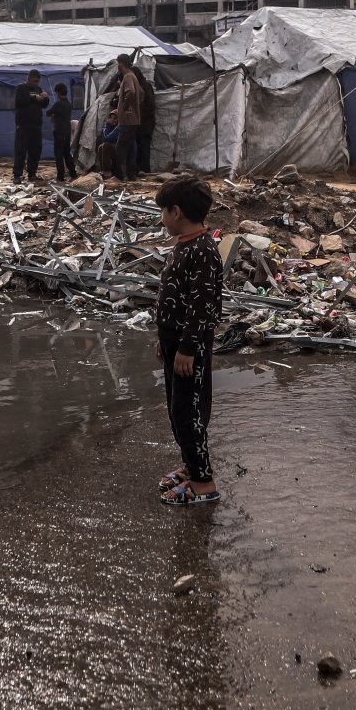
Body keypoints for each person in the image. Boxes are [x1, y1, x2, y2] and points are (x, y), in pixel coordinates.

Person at [154, 175, 224, 506]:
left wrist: (186, 348)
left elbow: (203, 306)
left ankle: (203, 483)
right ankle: (190, 466)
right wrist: (164, 341)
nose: (162, 218)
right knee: (175, 410)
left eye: (163, 211)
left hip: (188, 350)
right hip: (173, 344)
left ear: (177, 212)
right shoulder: (184, 245)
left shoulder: (203, 251)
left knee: (189, 413)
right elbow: (174, 300)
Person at [11, 70, 49, 184]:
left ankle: (32, 174)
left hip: (36, 125)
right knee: (21, 150)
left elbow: (44, 105)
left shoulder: (38, 89)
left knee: (35, 150)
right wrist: (34, 99)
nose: (36, 83)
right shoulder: (20, 89)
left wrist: (45, 98)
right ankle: (17, 175)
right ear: (29, 79)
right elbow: (19, 102)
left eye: (38, 81)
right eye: (34, 81)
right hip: (23, 125)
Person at [112, 56, 146, 181]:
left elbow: (131, 92)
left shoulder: (127, 77)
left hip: (127, 119)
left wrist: (126, 107)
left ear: (121, 64)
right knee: (131, 147)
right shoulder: (134, 76)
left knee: (121, 147)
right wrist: (136, 106)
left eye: (118, 64)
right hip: (134, 119)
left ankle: (120, 174)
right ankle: (131, 174)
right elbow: (141, 93)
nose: (117, 66)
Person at [48, 82, 77, 181]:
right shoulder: (68, 103)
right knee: (67, 153)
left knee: (58, 154)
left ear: (58, 92)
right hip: (67, 132)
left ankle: (60, 176)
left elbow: (48, 112)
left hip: (59, 132)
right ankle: (73, 173)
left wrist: (54, 115)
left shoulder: (58, 103)